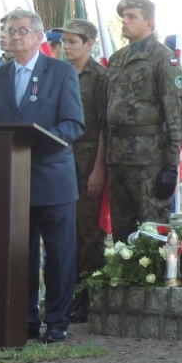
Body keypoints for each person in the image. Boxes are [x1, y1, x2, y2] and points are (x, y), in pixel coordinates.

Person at [0, 8, 84, 343]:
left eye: (22, 30)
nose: (15, 36)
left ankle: (57, 321)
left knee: (58, 255)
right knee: (20, 254)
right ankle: (23, 318)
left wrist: (40, 138)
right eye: (10, 30)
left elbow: (73, 124)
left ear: (39, 37)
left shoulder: (61, 73)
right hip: (12, 181)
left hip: (51, 177)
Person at [105, 0, 182, 244]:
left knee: (153, 232)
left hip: (149, 159)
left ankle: (154, 281)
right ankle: (124, 282)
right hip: (118, 157)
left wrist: (172, 165)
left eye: (132, 17)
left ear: (149, 23)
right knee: (122, 232)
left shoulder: (164, 58)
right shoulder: (117, 59)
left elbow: (177, 113)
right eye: (124, 17)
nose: (125, 21)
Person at [55, 19, 108, 323]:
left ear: (89, 44)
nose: (66, 47)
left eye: (73, 41)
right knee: (67, 229)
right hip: (61, 155)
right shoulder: (59, 73)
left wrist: (98, 169)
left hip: (88, 157)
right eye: (64, 42)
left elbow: (103, 127)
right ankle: (67, 293)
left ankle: (87, 295)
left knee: (89, 232)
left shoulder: (100, 77)